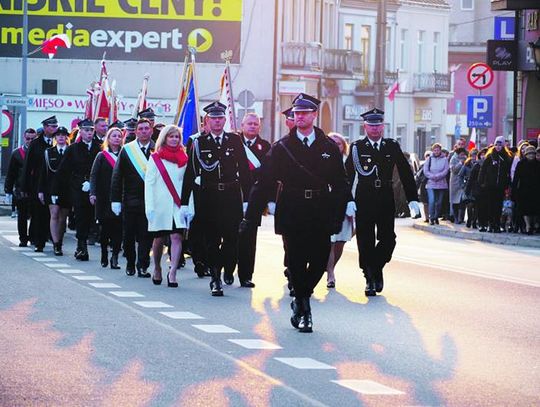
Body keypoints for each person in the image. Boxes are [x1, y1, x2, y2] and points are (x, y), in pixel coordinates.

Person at [242, 93, 350, 333]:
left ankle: (302, 295)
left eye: (304, 112)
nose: (299, 116)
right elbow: (264, 182)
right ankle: (304, 307)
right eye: (296, 113)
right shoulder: (282, 147)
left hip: (320, 208)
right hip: (293, 207)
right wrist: (251, 215)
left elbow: (340, 182)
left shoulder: (328, 147)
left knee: (321, 259)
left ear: (314, 115)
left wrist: (339, 209)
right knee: (297, 260)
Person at [345, 108, 419, 297]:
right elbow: (347, 176)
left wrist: (412, 199)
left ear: (383, 126)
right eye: (372, 125)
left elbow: (405, 172)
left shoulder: (391, 146)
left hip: (386, 195)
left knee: (388, 239)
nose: (375, 129)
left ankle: (376, 267)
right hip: (365, 196)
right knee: (365, 239)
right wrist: (348, 199)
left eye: (378, 125)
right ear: (365, 127)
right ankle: (369, 277)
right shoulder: (357, 147)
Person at [181, 101, 251, 296]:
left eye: (220, 118)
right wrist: (184, 202)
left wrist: (247, 200)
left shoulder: (234, 140)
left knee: (231, 238)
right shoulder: (198, 142)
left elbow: (244, 170)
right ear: (207, 121)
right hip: (208, 196)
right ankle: (215, 277)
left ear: (225, 120)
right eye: (213, 118)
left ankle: (228, 266)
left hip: (230, 195)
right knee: (211, 239)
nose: (217, 122)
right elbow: (190, 172)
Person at [144, 125, 190, 287]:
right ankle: (157, 267)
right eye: (171, 136)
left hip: (178, 205)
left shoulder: (184, 158)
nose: (174, 139)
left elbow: (187, 183)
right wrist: (149, 206)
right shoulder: (155, 157)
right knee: (158, 239)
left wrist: (189, 206)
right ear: (164, 138)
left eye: (177, 137)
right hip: (159, 205)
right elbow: (149, 183)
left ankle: (173, 272)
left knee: (177, 237)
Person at [110, 118, 155, 277]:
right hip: (130, 200)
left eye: (146, 128)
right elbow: (117, 176)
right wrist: (115, 200)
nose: (144, 131)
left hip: (150, 201)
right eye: (140, 129)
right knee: (128, 235)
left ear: (151, 130)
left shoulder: (157, 149)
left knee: (146, 235)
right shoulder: (128, 150)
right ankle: (130, 262)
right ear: (135, 131)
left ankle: (143, 265)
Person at [51, 119, 101, 260]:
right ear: (81, 132)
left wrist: (92, 183)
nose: (89, 133)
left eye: (91, 130)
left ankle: (91, 240)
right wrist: (55, 191)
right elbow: (63, 171)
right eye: (86, 130)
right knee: (80, 216)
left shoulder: (99, 147)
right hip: (78, 187)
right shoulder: (73, 148)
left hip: (95, 186)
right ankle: (81, 245)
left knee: (92, 216)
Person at [236, 113, 271, 288]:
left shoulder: (265, 146)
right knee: (230, 236)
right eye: (249, 123)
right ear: (242, 125)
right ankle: (227, 270)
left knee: (249, 239)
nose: (252, 126)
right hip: (233, 196)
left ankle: (246, 275)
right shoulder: (233, 143)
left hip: (254, 199)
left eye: (255, 124)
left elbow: (268, 173)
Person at [21, 116, 58, 252]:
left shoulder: (57, 142)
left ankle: (54, 241)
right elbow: (27, 166)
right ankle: (38, 241)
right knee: (38, 213)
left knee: (53, 214)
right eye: (52, 126)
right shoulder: (36, 144)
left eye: (56, 126)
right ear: (45, 127)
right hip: (37, 184)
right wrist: (24, 186)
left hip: (54, 184)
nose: (55, 129)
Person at [90, 127, 124, 269]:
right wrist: (92, 193)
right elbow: (94, 175)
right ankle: (104, 253)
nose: (117, 138)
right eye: (114, 136)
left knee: (118, 228)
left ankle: (115, 256)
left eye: (119, 136)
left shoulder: (126, 154)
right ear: (108, 139)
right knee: (105, 229)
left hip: (119, 197)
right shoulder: (102, 156)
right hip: (103, 197)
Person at [325, 132, 354, 289]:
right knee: (330, 240)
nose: (336, 146)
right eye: (332, 142)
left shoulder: (349, 162)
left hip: (346, 205)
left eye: (339, 143)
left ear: (344, 146)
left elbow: (353, 183)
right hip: (328, 204)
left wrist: (352, 202)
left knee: (341, 241)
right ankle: (330, 274)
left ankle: (330, 267)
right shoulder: (324, 158)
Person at [38, 126, 70, 256]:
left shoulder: (70, 151)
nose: (61, 137)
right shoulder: (48, 152)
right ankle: (56, 244)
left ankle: (60, 240)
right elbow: (43, 172)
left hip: (67, 188)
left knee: (63, 218)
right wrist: (40, 190)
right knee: (54, 214)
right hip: (52, 188)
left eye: (63, 135)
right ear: (55, 137)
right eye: (58, 135)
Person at [4, 128, 37, 247]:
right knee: (22, 216)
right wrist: (8, 190)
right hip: (21, 189)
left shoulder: (39, 152)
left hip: (35, 188)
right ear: (24, 138)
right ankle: (23, 238)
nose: (30, 141)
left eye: (33, 139)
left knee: (35, 214)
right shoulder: (17, 153)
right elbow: (11, 173)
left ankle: (33, 237)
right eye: (28, 139)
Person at [478, 136, 512, 233]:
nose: (498, 146)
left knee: (498, 206)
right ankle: (490, 224)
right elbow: (483, 170)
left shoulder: (506, 157)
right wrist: (482, 183)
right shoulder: (490, 156)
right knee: (490, 206)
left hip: (500, 186)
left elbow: (508, 172)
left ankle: (496, 224)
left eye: (500, 144)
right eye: (496, 144)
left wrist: (507, 184)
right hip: (489, 186)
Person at [512, 145, 540, 234]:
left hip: (536, 189)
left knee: (535, 210)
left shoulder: (538, 164)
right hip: (524, 190)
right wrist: (514, 189)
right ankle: (528, 226)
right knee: (525, 209)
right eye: (529, 154)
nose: (531, 156)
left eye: (533, 154)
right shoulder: (521, 163)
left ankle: (533, 224)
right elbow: (516, 177)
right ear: (526, 155)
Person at [423, 143, 449, 225]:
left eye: (438, 150)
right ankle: (431, 217)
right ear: (432, 150)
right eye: (434, 150)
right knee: (432, 200)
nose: (436, 151)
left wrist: (438, 176)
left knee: (439, 202)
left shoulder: (444, 159)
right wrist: (432, 176)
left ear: (440, 150)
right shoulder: (429, 159)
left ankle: (436, 216)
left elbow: (446, 170)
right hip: (431, 183)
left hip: (441, 183)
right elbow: (425, 170)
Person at [459, 149, 478, 228]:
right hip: (468, 187)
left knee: (477, 206)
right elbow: (460, 175)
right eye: (472, 155)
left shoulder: (479, 164)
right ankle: (469, 219)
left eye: (475, 155)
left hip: (477, 187)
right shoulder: (466, 165)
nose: (474, 157)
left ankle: (474, 221)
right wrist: (463, 185)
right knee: (469, 205)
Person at [449, 147, 468, 224]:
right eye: (461, 154)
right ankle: (455, 217)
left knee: (462, 200)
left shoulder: (467, 159)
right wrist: (460, 163)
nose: (462, 156)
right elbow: (453, 170)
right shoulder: (453, 159)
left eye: (464, 154)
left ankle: (461, 218)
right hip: (455, 182)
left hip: (463, 182)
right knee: (454, 200)